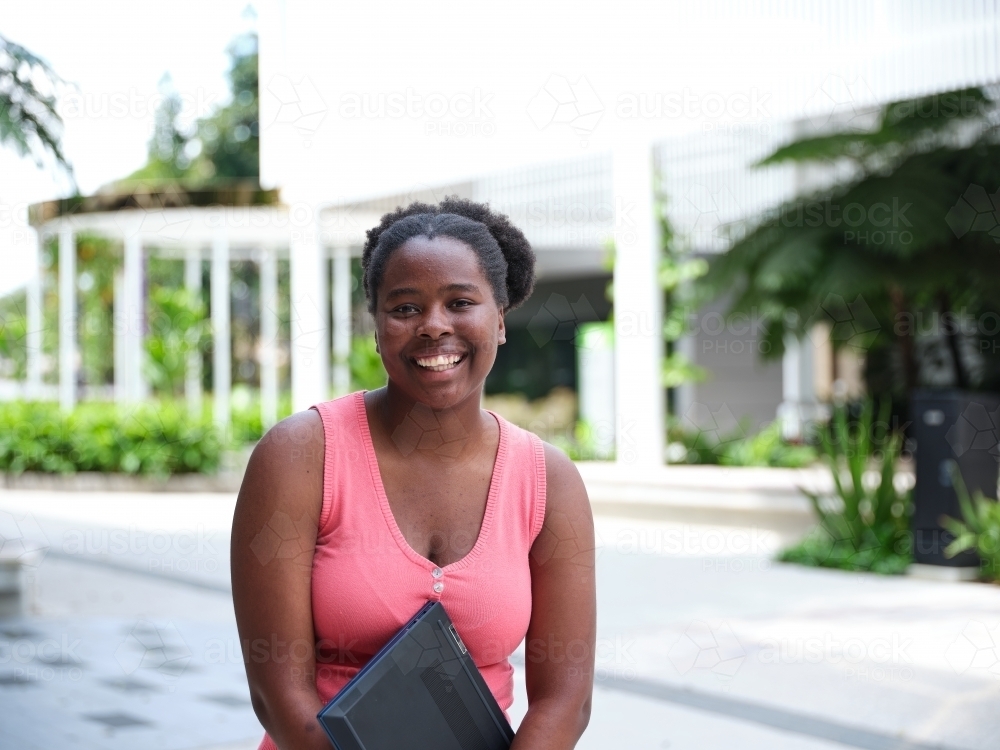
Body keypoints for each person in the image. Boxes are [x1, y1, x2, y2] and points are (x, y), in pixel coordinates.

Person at [231, 197, 596, 750]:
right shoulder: (300, 457)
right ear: (376, 326)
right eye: (404, 308)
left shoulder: (549, 481)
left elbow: (565, 700)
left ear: (499, 320)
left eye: (460, 302)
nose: (433, 326)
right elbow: (277, 691)